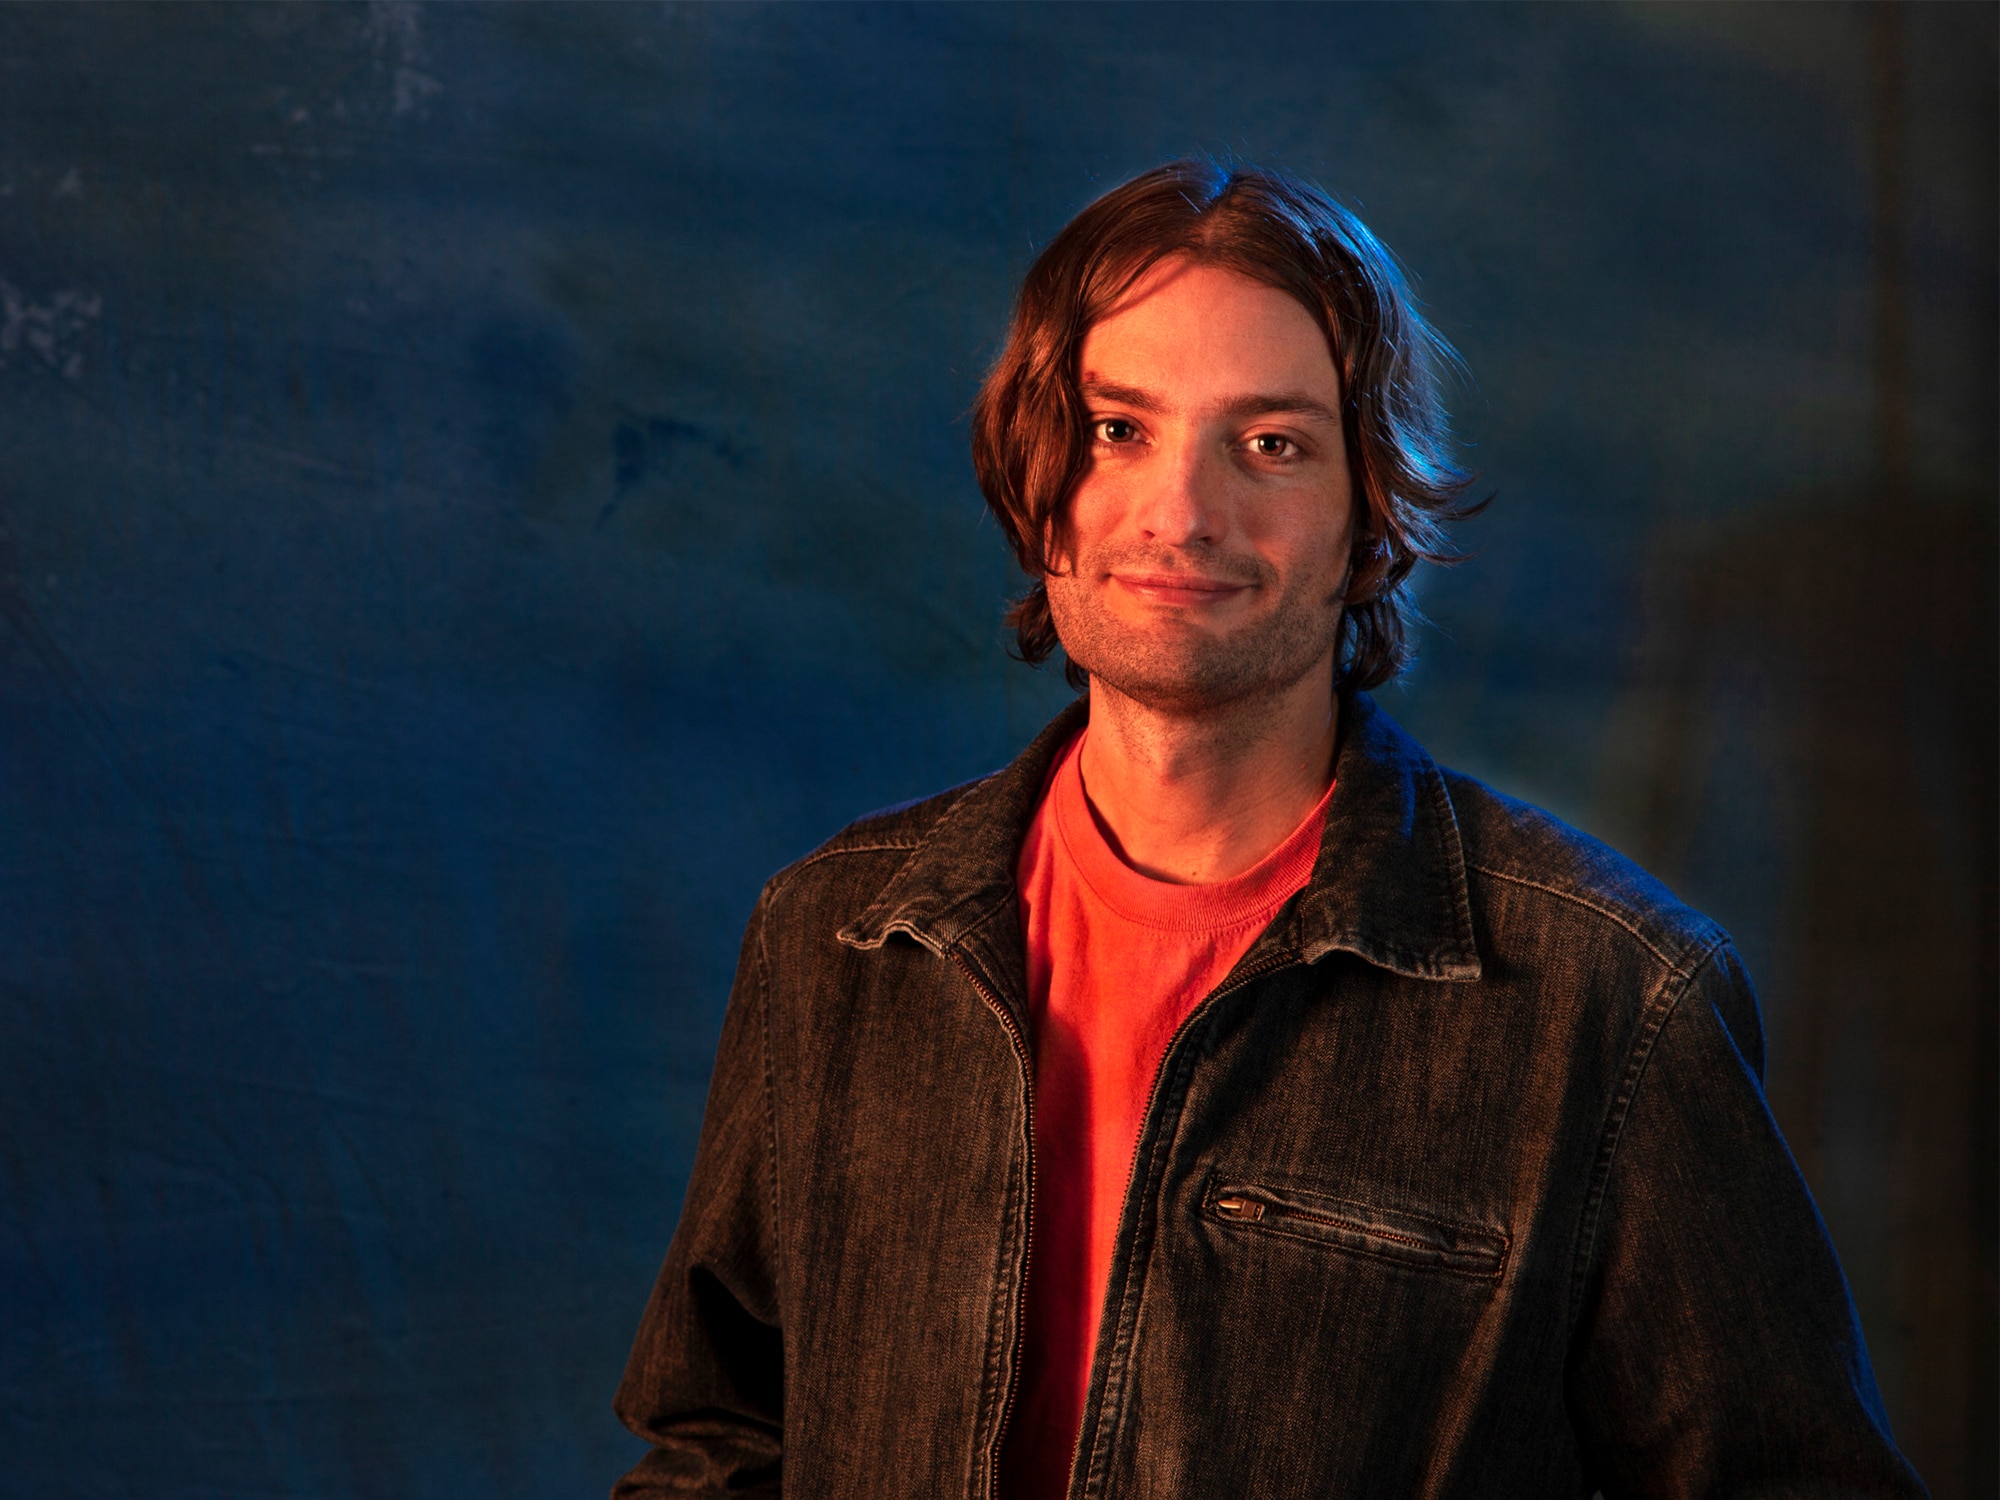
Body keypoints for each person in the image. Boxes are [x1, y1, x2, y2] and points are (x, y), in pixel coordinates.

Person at [611, 160, 1924, 1498]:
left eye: (1273, 445)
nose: (1181, 514)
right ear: (1036, 475)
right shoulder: (836, 938)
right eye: (1118, 429)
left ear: (1370, 518)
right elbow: (718, 1447)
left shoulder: (1613, 1001)